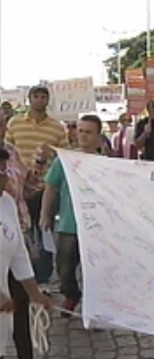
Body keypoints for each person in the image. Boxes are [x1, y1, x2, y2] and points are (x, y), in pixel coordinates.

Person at [0, 146, 53, 359]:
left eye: (5, 172)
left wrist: (35, 294)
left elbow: (18, 253)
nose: (6, 179)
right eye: (0, 173)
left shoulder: (7, 203)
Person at [39, 115, 103, 317]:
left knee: (93, 271)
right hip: (68, 223)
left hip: (95, 226)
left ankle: (94, 307)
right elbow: (51, 187)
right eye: (80, 130)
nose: (83, 135)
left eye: (88, 132)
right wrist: (45, 214)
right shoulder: (64, 160)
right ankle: (72, 294)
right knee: (64, 269)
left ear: (98, 136)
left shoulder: (104, 163)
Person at [5, 85, 68, 289]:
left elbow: (64, 156)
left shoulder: (57, 128)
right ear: (29, 99)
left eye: (43, 97)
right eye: (36, 96)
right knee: (21, 230)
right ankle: (19, 275)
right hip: (17, 187)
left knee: (44, 231)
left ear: (48, 100)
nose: (40, 100)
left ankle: (42, 278)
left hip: (45, 187)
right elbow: (7, 153)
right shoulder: (14, 124)